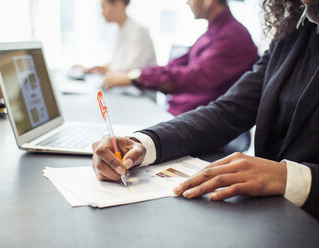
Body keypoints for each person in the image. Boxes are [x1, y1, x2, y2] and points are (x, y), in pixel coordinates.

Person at [92, 0, 319, 219]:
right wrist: (144, 142)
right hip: (272, 218)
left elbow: (195, 77)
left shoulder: (233, 36)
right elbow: (228, 110)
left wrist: (291, 178)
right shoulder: (293, 31)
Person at [103, 0, 259, 116]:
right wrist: (133, 75)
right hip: (181, 115)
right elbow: (174, 66)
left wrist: (135, 78)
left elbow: (194, 77)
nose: (187, 2)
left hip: (199, 122)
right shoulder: (214, 32)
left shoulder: (233, 37)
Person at [75, 0, 156, 75]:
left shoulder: (138, 31)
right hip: (122, 88)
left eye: (103, 7)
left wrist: (104, 71)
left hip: (135, 89)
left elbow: (131, 70)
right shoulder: (120, 30)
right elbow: (118, 63)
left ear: (119, 3)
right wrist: (91, 70)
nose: (102, 13)